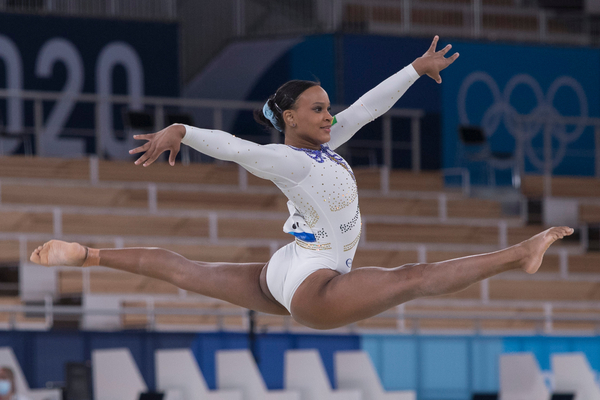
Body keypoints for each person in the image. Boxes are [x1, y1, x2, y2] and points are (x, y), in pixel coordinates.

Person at [30, 36, 573, 330]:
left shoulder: (324, 146)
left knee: (186, 270)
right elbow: (237, 148)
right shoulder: (291, 162)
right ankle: (519, 253)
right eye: (317, 109)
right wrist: (183, 131)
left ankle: (88, 254)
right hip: (315, 287)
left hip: (288, 268)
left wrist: (413, 70)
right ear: (289, 118)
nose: (329, 115)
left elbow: (368, 107)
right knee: (412, 279)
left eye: (328, 107)